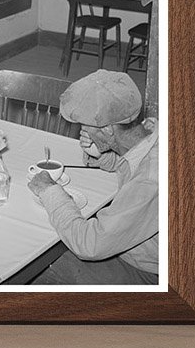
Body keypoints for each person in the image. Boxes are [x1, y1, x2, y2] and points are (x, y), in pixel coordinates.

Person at [27, 69, 158, 286]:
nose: (82, 131)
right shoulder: (150, 131)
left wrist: (50, 191)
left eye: (84, 126)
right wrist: (105, 155)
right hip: (131, 249)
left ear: (107, 129)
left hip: (150, 273)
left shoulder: (151, 180)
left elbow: (89, 244)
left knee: (39, 274)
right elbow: (132, 163)